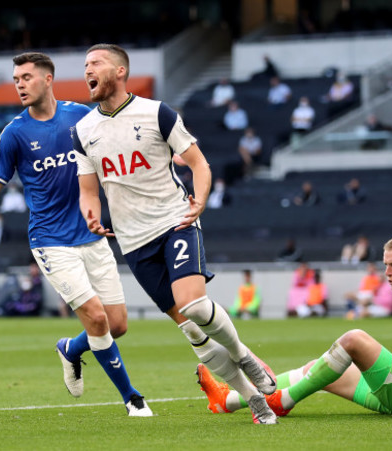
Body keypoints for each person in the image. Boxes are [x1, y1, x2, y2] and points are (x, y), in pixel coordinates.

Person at [73, 43, 277, 424]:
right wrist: (91, 215)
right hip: (133, 242)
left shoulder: (156, 113)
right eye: (85, 65)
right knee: (190, 331)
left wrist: (200, 200)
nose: (88, 69)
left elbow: (199, 163)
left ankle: (244, 356)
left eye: (96, 62)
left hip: (175, 221)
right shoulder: (83, 131)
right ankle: (253, 400)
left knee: (195, 306)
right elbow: (89, 189)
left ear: (119, 71)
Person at [0, 52, 152, 416]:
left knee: (117, 325)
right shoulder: (15, 133)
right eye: (16, 78)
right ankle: (132, 398)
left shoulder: (80, 116)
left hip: (91, 235)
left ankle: (71, 349)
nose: (19, 83)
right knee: (97, 319)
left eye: (26, 77)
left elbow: (119, 139)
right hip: (50, 240)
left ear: (48, 80)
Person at [197, 233, 392, 417]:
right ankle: (230, 400)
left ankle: (282, 402)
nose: (387, 272)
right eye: (385, 265)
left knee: (354, 338)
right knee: (318, 368)